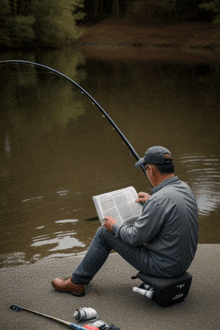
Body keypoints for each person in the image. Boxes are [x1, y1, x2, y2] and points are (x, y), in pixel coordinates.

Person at [52, 146, 198, 297]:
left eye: (146, 170)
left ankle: (76, 283)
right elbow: (168, 208)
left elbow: (135, 238)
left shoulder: (159, 201)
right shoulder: (184, 188)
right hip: (182, 262)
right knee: (129, 228)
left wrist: (114, 226)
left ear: (151, 170)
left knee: (104, 232)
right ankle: (78, 281)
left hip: (164, 267)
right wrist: (150, 200)